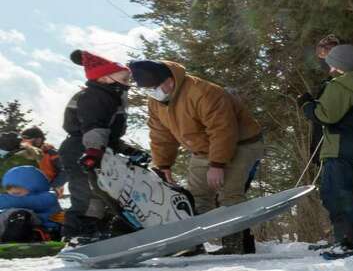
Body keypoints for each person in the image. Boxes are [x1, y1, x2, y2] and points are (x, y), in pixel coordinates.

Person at [129, 59, 265, 254]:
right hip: (203, 148)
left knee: (229, 192)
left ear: (169, 81)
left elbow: (223, 130)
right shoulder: (155, 102)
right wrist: (163, 166)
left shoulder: (203, 92)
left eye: (155, 87)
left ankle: (237, 244)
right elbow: (160, 136)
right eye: (149, 90)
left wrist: (217, 164)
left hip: (241, 143)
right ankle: (194, 243)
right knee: (195, 197)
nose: (153, 92)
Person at [297, 44, 353, 259]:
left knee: (336, 196)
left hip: (340, 149)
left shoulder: (340, 86)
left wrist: (306, 104)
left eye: (331, 63)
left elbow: (326, 115)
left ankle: (348, 243)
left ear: (340, 65)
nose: (330, 68)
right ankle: (351, 240)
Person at [60, 50, 137, 242]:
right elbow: (94, 126)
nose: (128, 79)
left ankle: (97, 231)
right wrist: (93, 151)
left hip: (97, 148)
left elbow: (108, 134)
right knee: (86, 192)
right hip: (81, 148)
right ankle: (77, 234)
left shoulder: (111, 95)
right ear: (104, 78)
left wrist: (128, 150)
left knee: (104, 193)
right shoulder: (96, 96)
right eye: (123, 76)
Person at [0, 165, 62, 239]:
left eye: (17, 192)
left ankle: (13, 239)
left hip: (47, 230)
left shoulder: (48, 198)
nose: (13, 192)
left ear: (36, 185)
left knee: (19, 213)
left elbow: (20, 202)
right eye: (9, 189)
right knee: (6, 213)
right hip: (26, 228)